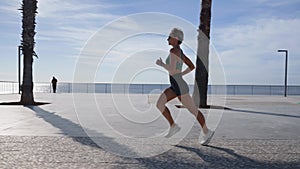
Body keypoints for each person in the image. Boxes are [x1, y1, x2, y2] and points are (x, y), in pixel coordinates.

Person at [156, 28, 214, 145]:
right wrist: (181, 74)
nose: (167, 39)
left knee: (193, 110)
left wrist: (162, 64)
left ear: (175, 38)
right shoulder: (180, 52)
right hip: (176, 84)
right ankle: (173, 126)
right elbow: (191, 66)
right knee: (160, 104)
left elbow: (172, 70)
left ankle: (207, 131)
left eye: (169, 36)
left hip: (179, 86)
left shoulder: (173, 51)